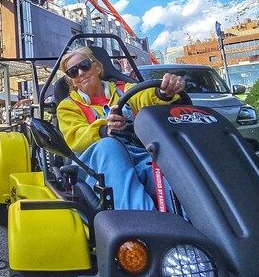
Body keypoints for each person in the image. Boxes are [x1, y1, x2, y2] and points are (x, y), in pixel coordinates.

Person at [56, 47, 185, 211]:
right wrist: (104, 129)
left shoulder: (125, 89)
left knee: (168, 164)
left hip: (139, 154)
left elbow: (146, 97)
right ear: (72, 81)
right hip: (95, 166)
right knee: (109, 146)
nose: (80, 72)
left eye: (85, 65)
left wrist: (163, 92)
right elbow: (76, 138)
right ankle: (144, 225)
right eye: (73, 71)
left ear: (97, 67)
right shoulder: (67, 106)